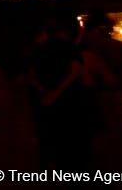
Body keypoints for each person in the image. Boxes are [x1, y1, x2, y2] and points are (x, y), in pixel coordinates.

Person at [27, 19, 94, 170]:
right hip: (69, 102)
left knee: (50, 141)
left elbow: (30, 74)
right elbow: (76, 70)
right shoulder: (69, 47)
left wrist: (44, 91)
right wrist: (57, 92)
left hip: (47, 101)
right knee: (71, 145)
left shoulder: (38, 49)